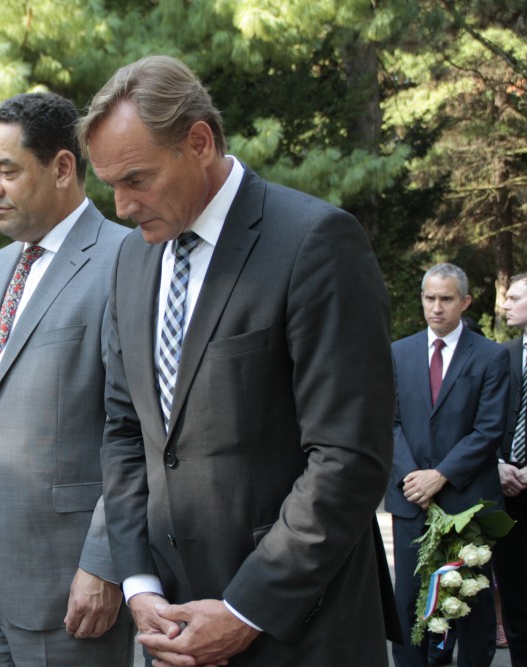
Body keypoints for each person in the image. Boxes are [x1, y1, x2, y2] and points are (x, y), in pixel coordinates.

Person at [78, 55, 398, 665]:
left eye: (136, 179)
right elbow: (127, 432)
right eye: (110, 184)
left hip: (297, 627)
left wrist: (246, 607)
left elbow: (348, 457)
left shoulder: (315, 242)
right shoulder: (132, 261)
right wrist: (140, 582)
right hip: (170, 626)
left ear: (198, 142)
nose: (120, 206)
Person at [0, 92, 133, 665]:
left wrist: (104, 562)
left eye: (7, 171)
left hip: (69, 590)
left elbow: (136, 430)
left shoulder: (126, 259)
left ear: (63, 168)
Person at [389, 262, 508, 667]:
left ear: (465, 302)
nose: (436, 307)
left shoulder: (491, 357)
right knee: (408, 604)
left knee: (468, 608)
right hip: (411, 501)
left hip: (468, 502)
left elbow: (489, 429)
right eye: (429, 298)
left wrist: (439, 476)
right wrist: (413, 478)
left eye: (446, 299)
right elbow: (389, 423)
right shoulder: (397, 353)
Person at [496, 272, 527, 666]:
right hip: (508, 495)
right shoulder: (500, 356)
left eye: (514, 297)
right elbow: (478, 420)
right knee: (516, 598)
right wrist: (498, 465)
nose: (505, 303)